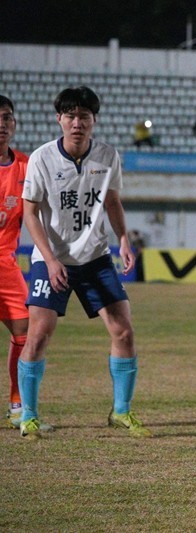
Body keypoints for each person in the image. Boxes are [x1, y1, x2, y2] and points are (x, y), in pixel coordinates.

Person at [19, 86, 151, 439]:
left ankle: (121, 411)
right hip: (51, 259)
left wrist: (124, 239)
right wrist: (50, 260)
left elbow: (112, 202)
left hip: (95, 257)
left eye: (84, 116)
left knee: (123, 331)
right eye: (71, 116)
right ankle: (28, 416)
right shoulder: (42, 158)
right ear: (59, 119)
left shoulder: (107, 156)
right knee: (38, 335)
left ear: (94, 120)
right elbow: (30, 213)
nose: (77, 123)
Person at [0, 95, 47, 431]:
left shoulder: (26, 166)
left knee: (24, 333)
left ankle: (17, 405)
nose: (1, 124)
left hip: (6, 264)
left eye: (6, 117)